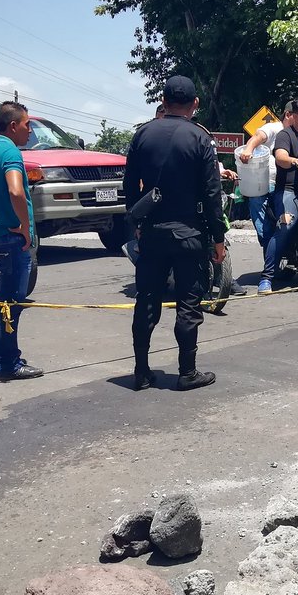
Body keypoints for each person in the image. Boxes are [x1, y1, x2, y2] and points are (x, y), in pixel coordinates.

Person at [124, 75, 226, 390]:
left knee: (147, 301)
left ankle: (141, 370)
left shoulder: (142, 135)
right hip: (189, 233)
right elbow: (212, 193)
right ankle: (187, 371)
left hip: (152, 231)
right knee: (189, 302)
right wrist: (218, 237)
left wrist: (137, 225)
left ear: (164, 102)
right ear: (195, 104)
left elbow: (129, 187)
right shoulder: (200, 137)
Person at [0, 100, 43, 381]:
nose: (30, 131)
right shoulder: (10, 152)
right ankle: (8, 363)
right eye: (27, 125)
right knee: (11, 305)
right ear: (13, 126)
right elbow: (16, 191)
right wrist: (23, 228)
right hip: (11, 241)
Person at [259, 96, 298, 294]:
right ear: (294, 116)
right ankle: (266, 277)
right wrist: (295, 160)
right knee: (286, 225)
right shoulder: (286, 135)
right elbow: (281, 158)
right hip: (289, 190)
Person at [238, 102, 292, 252]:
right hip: (265, 181)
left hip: (288, 183)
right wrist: (248, 149)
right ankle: (269, 248)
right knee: (262, 220)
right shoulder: (275, 128)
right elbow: (257, 137)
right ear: (288, 115)